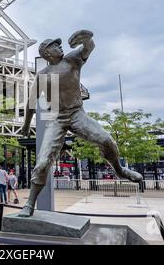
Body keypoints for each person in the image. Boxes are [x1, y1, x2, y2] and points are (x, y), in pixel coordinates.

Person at [19, 30, 143, 217]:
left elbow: (89, 47)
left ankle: (119, 170)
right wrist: (27, 125)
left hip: (77, 114)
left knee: (107, 140)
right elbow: (31, 103)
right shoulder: (42, 75)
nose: (59, 46)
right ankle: (29, 204)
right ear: (46, 53)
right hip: (57, 119)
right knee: (43, 163)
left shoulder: (71, 60)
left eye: (59, 44)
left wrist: (87, 38)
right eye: (55, 45)